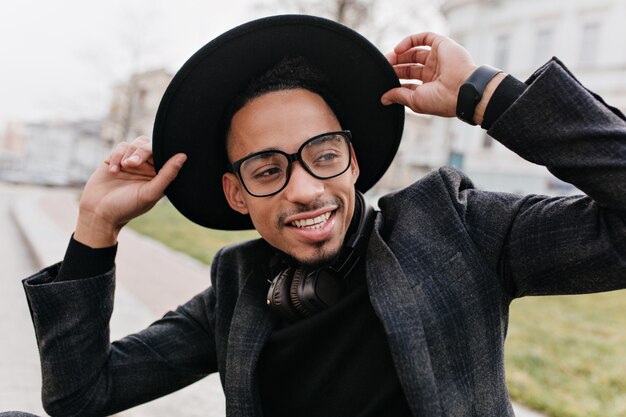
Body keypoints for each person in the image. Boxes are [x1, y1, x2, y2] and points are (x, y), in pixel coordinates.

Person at [21, 14, 625, 417]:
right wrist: (96, 228)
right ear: (237, 195)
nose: (306, 190)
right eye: (267, 170)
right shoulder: (237, 286)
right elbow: (80, 395)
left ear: (354, 161)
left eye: (324, 156)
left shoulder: (456, 228)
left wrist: (486, 94)